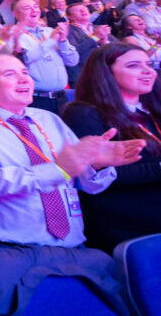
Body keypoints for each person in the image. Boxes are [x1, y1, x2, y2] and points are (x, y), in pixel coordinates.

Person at [0, 54, 144, 250]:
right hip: (14, 248)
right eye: (10, 74)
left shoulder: (50, 119)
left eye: (25, 72)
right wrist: (56, 169)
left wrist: (95, 164)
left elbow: (87, 185)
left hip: (73, 243)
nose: (24, 79)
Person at [61, 43, 161, 253]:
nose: (147, 71)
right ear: (105, 73)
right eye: (134, 66)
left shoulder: (152, 109)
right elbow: (97, 175)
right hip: (127, 220)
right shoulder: (84, 113)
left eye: (149, 64)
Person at [12, 0, 78, 114]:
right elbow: (24, 59)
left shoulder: (49, 31)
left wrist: (62, 40)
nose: (34, 10)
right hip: (37, 99)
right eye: (28, 8)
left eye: (36, 7)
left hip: (61, 97)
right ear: (15, 14)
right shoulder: (14, 36)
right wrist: (52, 40)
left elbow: (72, 61)